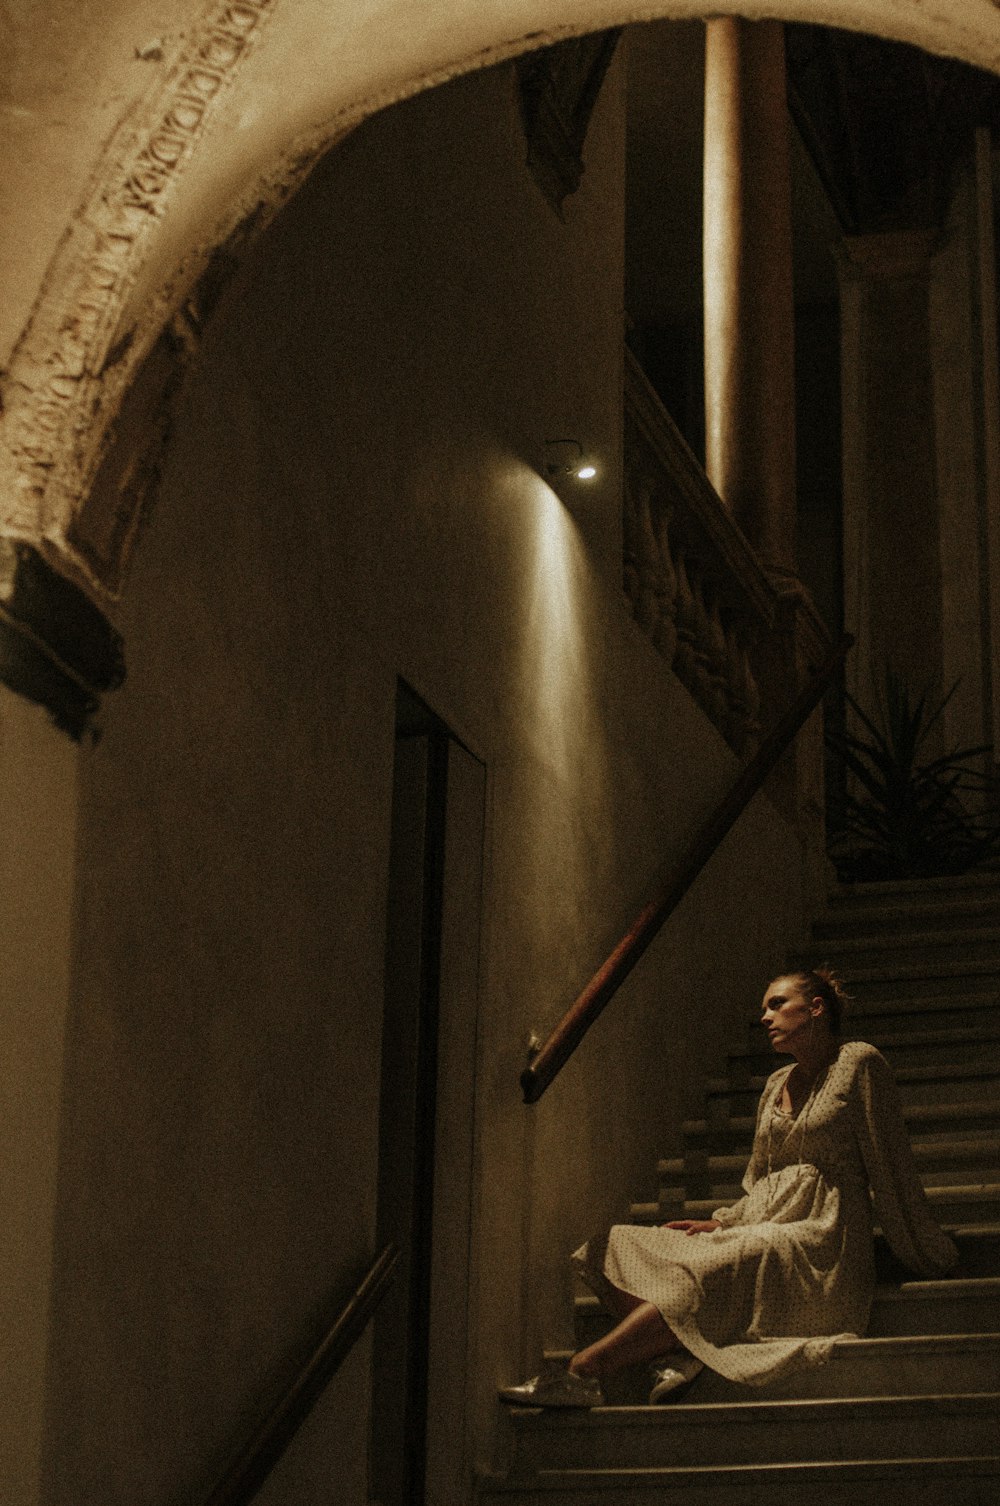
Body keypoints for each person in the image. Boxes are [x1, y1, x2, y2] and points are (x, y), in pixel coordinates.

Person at [500, 966, 958, 1407]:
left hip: (820, 1238)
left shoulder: (858, 1062)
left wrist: (923, 1249)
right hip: (760, 1221)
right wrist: (721, 1221)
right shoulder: (777, 1081)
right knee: (614, 1244)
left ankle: (584, 1372)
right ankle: (679, 1350)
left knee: (713, 1268)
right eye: (765, 1008)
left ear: (816, 1008)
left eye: (778, 1005)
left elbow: (889, 1161)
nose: (766, 1017)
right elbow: (760, 1179)